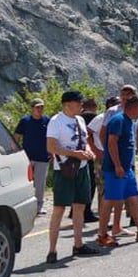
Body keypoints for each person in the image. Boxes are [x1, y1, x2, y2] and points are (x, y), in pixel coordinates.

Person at [98, 95, 138, 247]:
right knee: (110, 200)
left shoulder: (129, 121)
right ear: (134, 108)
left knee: (134, 197)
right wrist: (117, 165)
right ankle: (102, 234)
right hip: (115, 169)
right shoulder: (118, 120)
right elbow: (111, 143)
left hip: (127, 168)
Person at [45, 90, 98, 263]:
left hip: (81, 168)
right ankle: (52, 250)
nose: (81, 105)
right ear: (68, 104)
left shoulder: (80, 120)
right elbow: (51, 147)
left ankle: (78, 244)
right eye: (78, 102)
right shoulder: (56, 121)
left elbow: (85, 141)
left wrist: (89, 152)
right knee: (59, 209)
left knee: (79, 206)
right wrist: (75, 154)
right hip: (64, 170)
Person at [13, 99, 50, 215]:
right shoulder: (25, 121)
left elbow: (52, 137)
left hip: (43, 157)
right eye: (37, 107)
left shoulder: (47, 121)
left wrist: (52, 152)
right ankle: (22, 206)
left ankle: (39, 206)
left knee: (40, 183)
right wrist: (16, 153)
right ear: (32, 108)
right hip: (27, 158)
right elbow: (16, 137)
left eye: (42, 107)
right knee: (24, 182)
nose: (40, 109)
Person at [78, 97, 100, 224]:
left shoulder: (77, 118)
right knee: (90, 184)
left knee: (80, 183)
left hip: (77, 154)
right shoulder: (94, 118)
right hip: (90, 153)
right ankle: (86, 212)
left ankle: (75, 211)